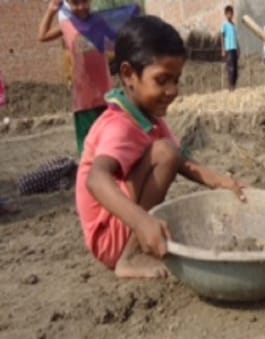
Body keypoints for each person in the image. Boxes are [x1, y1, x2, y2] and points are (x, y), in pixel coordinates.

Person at [76, 16, 246, 279]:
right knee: (165, 152)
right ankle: (131, 257)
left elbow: (182, 160)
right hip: (109, 237)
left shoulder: (148, 118)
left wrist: (223, 182)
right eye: (162, 80)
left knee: (168, 151)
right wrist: (142, 222)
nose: (172, 90)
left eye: (176, 80)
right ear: (129, 74)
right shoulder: (118, 125)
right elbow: (96, 180)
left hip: (125, 224)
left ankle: (135, 246)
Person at [38, 0, 114, 156]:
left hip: (106, 93)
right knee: (88, 148)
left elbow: (116, 39)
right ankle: (88, 176)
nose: (81, 7)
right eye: (75, 3)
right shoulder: (67, 24)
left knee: (109, 141)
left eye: (84, 2)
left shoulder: (99, 22)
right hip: (83, 97)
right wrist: (51, 11)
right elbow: (42, 35)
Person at [221, 5, 240, 91]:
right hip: (228, 48)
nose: (230, 15)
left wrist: (238, 48)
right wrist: (223, 48)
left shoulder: (234, 25)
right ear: (225, 14)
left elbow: (236, 38)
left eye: (231, 13)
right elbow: (222, 37)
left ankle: (234, 85)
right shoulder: (224, 25)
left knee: (235, 68)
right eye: (228, 14)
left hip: (234, 48)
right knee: (231, 68)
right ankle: (231, 86)